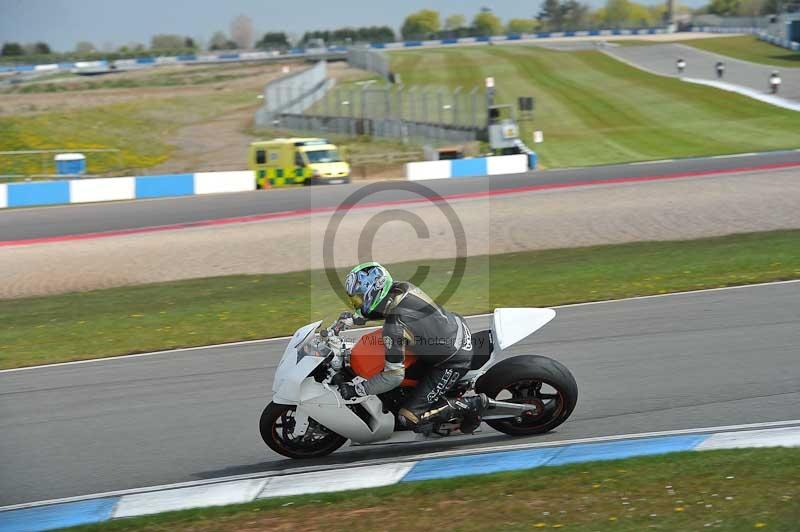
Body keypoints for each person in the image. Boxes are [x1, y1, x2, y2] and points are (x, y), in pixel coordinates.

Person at [337, 262, 487, 433]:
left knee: (408, 417)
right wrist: (354, 320)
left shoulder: (394, 328)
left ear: (373, 291)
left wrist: (357, 390)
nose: (356, 303)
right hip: (453, 328)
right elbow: (384, 309)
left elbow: (393, 376)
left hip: (452, 360)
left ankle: (472, 405)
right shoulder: (401, 288)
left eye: (359, 298)